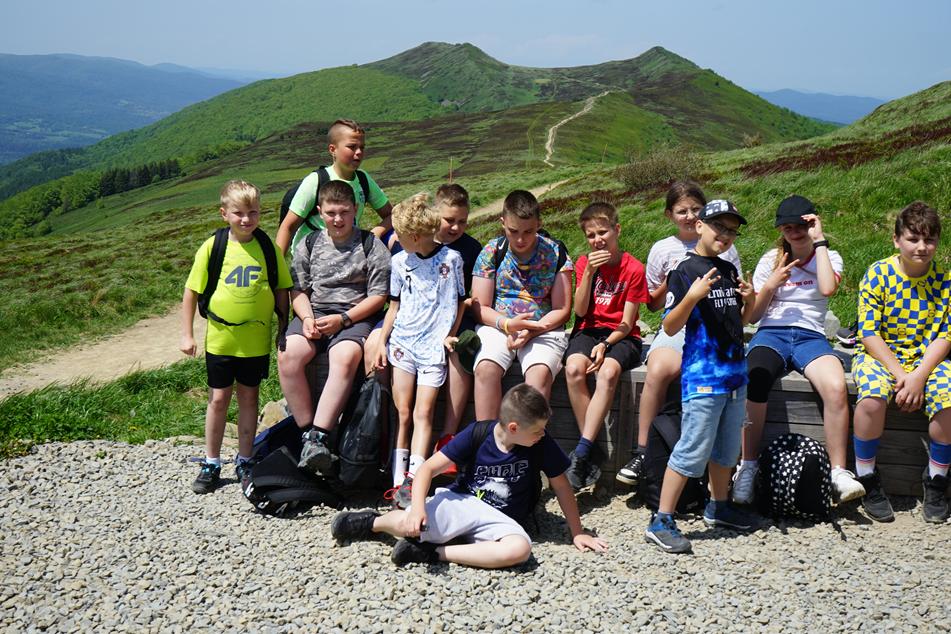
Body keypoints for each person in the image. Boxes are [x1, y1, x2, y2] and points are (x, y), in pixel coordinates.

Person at [329, 384, 608, 568]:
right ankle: (371, 522)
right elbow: (427, 469)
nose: (542, 434)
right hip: (464, 502)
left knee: (519, 550)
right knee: (409, 524)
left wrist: (577, 532)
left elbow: (561, 486)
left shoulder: (540, 443)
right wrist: (418, 508)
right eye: (537, 430)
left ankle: (432, 554)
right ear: (513, 428)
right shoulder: (478, 433)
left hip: (503, 519)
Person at [733, 195, 865, 505]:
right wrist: (771, 284)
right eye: (787, 227)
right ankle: (747, 465)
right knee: (754, 378)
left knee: (836, 387)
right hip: (772, 333)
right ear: (781, 230)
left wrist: (819, 242)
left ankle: (838, 472)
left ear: (814, 223)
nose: (795, 232)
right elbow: (754, 317)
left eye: (802, 225)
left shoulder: (828, 256)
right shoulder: (771, 259)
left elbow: (828, 288)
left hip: (810, 336)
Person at [644, 200, 757, 554]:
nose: (725, 235)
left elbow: (740, 322)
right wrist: (691, 297)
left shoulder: (727, 269)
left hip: (734, 375)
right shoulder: (684, 271)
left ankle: (718, 506)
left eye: (732, 230)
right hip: (703, 377)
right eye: (719, 227)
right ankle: (661, 519)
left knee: (726, 450)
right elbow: (669, 325)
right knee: (692, 449)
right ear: (699, 227)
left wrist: (751, 301)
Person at [616, 181, 742, 487]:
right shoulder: (662, 249)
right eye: (681, 211)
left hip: (713, 327)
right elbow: (652, 304)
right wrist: (676, 276)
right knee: (659, 369)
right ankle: (643, 451)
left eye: (695, 209)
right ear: (669, 215)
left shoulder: (725, 246)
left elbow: (733, 295)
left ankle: (727, 460)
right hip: (678, 324)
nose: (689, 216)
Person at [181, 180, 291, 494]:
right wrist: (187, 335)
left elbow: (282, 289)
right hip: (221, 339)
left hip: (255, 340)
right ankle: (211, 462)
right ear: (224, 213)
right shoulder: (213, 247)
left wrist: (283, 328)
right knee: (218, 399)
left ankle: (245, 460)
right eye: (239, 213)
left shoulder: (268, 248)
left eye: (253, 212)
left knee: (249, 398)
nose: (246, 219)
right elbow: (191, 291)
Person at [277, 180, 391, 476]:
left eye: (344, 212)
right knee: (288, 355)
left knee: (344, 356)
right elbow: (298, 290)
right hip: (314, 314)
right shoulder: (308, 244)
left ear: (355, 209)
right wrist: (306, 319)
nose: (338, 219)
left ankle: (319, 435)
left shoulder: (371, 245)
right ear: (319, 212)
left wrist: (344, 320)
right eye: (330, 213)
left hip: (355, 316)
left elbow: (379, 296)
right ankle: (307, 435)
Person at [852, 201, 951, 523]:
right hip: (880, 355)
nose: (922, 247)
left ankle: (937, 478)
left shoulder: (945, 280)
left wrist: (919, 376)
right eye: (913, 238)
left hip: (927, 359)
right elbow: (868, 332)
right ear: (897, 240)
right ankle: (866, 474)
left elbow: (946, 335)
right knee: (871, 398)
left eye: (929, 240)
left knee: (948, 399)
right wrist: (901, 375)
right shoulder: (878, 274)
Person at [371, 193, 466, 501]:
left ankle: (414, 479)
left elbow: (460, 302)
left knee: (423, 412)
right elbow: (394, 306)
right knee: (403, 411)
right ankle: (397, 479)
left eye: (398, 234)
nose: (395, 239)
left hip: (433, 347)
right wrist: (382, 341)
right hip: (403, 342)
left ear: (412, 236)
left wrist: (450, 334)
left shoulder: (452, 260)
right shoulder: (399, 262)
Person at [563, 202, 648, 489]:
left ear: (617, 230)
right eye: (591, 235)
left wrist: (605, 345)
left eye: (603, 232)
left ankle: (582, 452)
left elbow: (627, 322)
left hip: (622, 335)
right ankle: (590, 448)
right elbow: (580, 311)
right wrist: (588, 273)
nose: (598, 240)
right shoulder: (584, 264)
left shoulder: (633, 268)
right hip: (588, 329)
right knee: (574, 368)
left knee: (608, 372)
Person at [470, 190, 572, 419]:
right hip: (498, 325)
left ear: (539, 224)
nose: (520, 240)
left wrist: (531, 330)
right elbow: (479, 306)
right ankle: (487, 436)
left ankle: (528, 437)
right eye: (513, 231)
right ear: (502, 222)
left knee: (539, 374)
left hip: (543, 327)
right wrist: (507, 325)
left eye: (528, 231)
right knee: (485, 369)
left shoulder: (556, 253)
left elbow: (562, 309)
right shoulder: (492, 251)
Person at [275, 119, 393, 255]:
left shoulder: (363, 179)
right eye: (352, 147)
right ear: (333, 149)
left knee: (395, 238)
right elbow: (288, 226)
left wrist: (375, 232)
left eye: (362, 147)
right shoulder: (316, 181)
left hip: (347, 251)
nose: (359, 152)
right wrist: (277, 264)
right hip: (311, 256)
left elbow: (392, 215)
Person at [432, 184, 484, 462]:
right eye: (449, 220)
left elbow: (475, 295)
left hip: (459, 317)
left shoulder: (472, 248)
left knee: (460, 351)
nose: (456, 227)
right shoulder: (421, 242)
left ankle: (448, 435)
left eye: (462, 221)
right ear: (435, 213)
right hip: (424, 317)